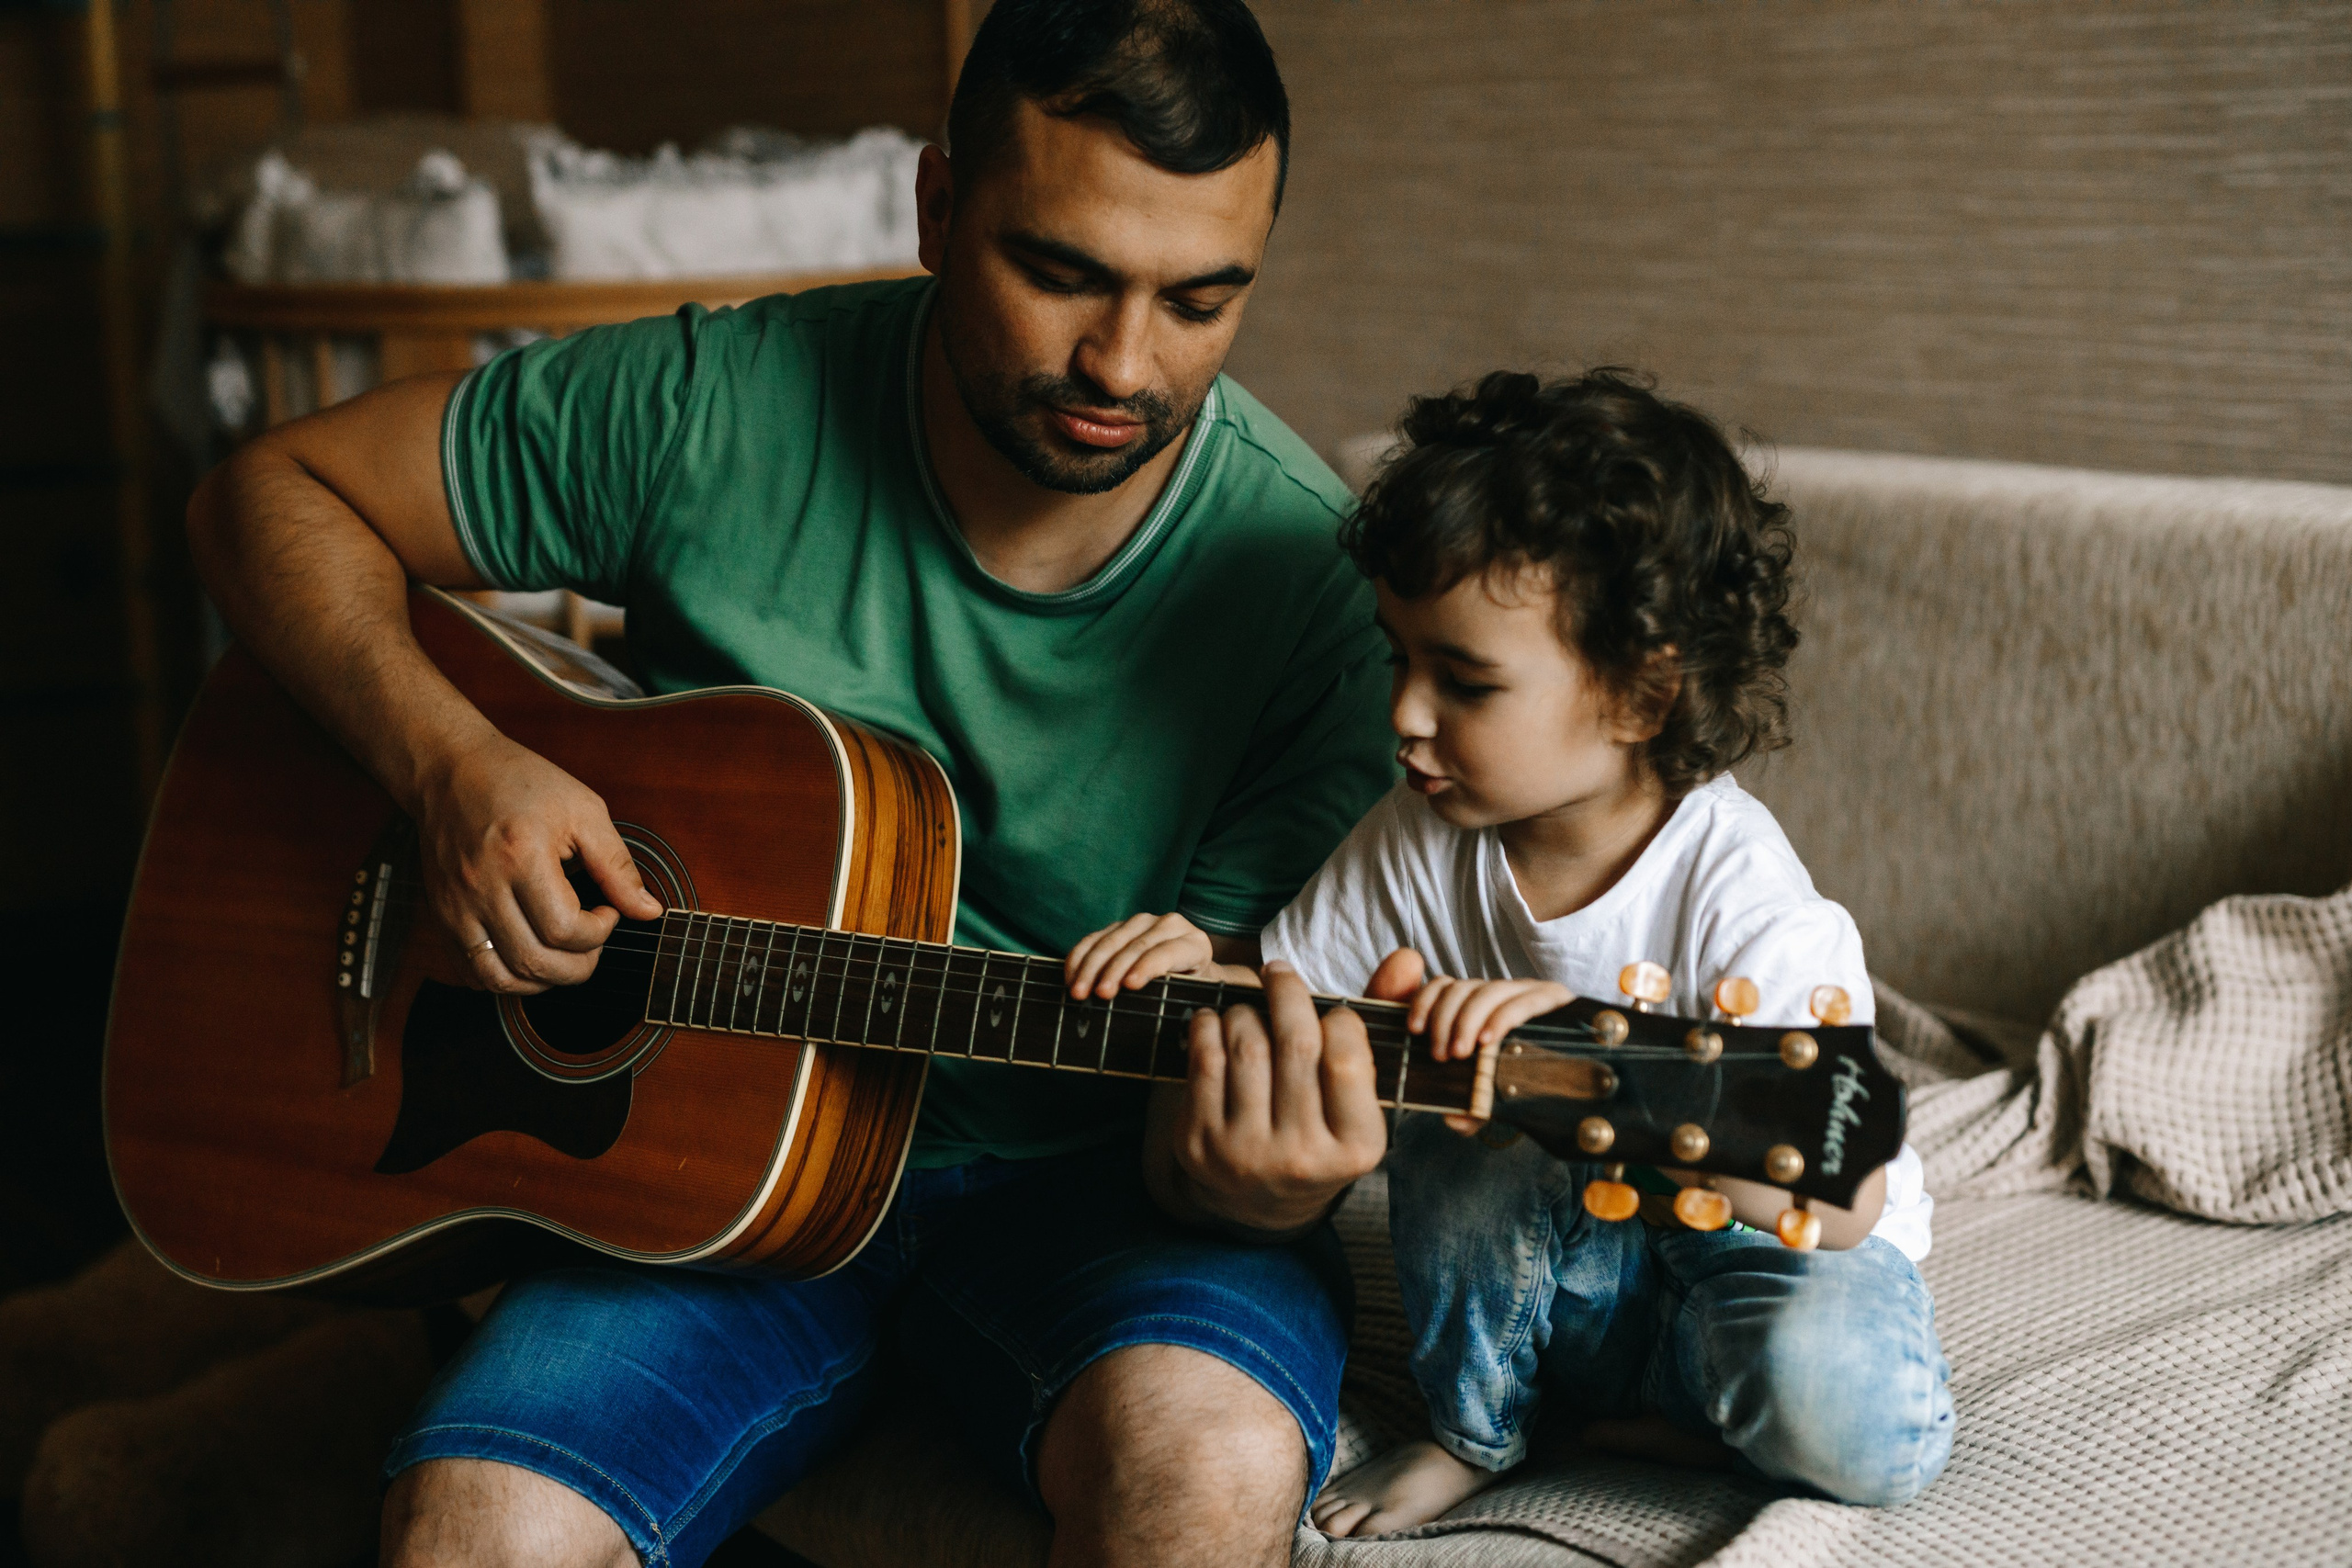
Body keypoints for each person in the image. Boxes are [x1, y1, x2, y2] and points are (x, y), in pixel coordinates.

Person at [187, 5, 1400, 1565]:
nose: (1124, 362)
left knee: (1211, 1468)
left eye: (1201, 300)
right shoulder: (713, 404)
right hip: (702, 1164)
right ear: (938, 209)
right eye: (1062, 272)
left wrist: (1260, 1184)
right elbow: (267, 494)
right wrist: (452, 765)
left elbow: (1220, 1083)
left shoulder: (1316, 601)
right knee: (475, 1527)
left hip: (1097, 1196)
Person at [1066, 369, 1954, 1539]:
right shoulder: (1418, 833)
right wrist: (1205, 975)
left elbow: (1840, 1205)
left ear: (1643, 694)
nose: (1405, 716)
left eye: (1464, 682)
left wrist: (1603, 1066)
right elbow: (1307, 1005)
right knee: (1455, 1097)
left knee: (1857, 1421)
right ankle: (1478, 1430)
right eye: (1399, 659)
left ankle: (1697, 1403)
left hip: (1753, 1264)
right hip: (1563, 1280)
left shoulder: (1739, 891)